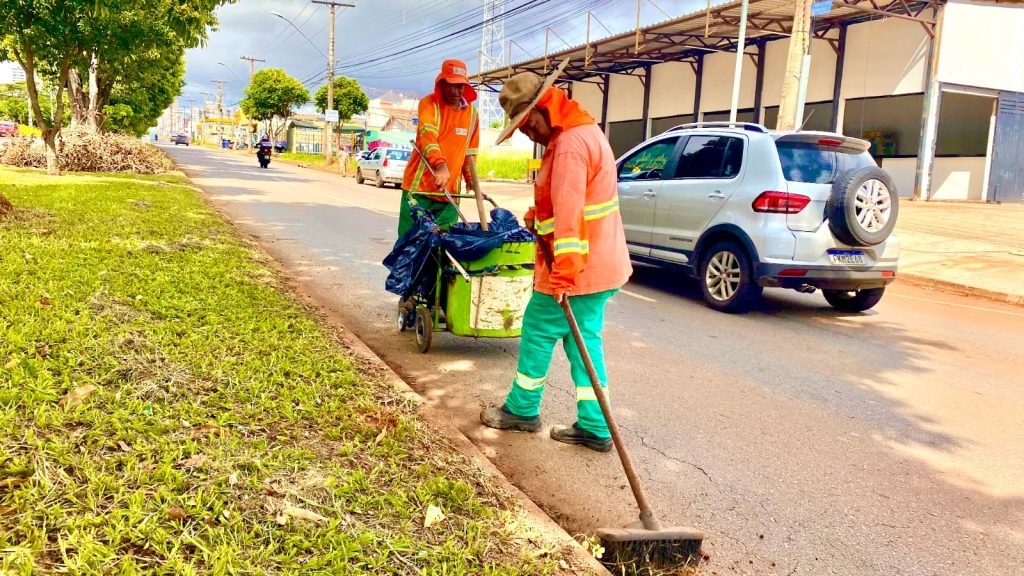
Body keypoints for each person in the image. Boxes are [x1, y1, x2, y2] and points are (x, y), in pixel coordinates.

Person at [479, 61, 632, 453]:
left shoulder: (568, 147)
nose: (528, 132)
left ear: (547, 107)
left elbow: (570, 221)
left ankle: (522, 410)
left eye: (529, 123)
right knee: (584, 343)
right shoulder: (583, 133)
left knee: (537, 331)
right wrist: (537, 218)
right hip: (599, 266)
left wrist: (563, 276)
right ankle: (596, 425)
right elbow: (567, 208)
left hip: (577, 270)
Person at [397, 59, 480, 237]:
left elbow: (470, 152)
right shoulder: (429, 104)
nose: (455, 91)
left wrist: (471, 178)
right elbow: (429, 136)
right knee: (410, 244)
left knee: (443, 247)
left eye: (460, 86)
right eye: (451, 85)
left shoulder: (472, 114)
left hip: (450, 195)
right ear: (441, 83)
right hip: (420, 191)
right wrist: (440, 165)